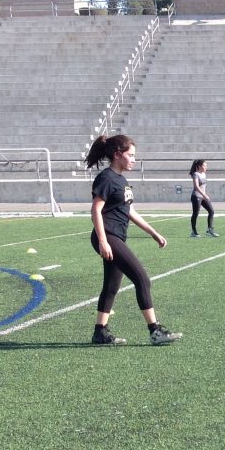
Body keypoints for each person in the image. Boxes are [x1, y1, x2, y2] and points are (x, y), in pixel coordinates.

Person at [86, 134, 182, 346]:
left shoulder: (121, 180)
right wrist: (103, 240)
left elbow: (129, 210)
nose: (134, 159)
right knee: (142, 279)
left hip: (116, 236)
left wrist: (153, 232)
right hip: (108, 236)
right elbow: (95, 210)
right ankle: (155, 331)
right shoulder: (106, 178)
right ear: (118, 155)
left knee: (111, 285)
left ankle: (99, 332)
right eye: (130, 155)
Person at [189, 159, 218, 237]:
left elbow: (203, 187)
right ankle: (194, 232)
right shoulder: (195, 174)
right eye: (204, 165)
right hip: (196, 196)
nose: (206, 167)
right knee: (196, 213)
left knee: (211, 211)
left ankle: (209, 230)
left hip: (203, 196)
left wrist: (204, 195)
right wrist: (205, 195)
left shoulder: (204, 174)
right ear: (199, 166)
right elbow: (196, 187)